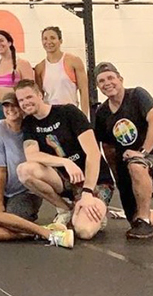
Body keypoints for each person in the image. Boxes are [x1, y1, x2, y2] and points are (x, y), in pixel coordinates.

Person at [92, 62, 153, 238]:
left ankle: (145, 220)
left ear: (120, 79)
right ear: (98, 86)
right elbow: (108, 148)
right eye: (101, 81)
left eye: (111, 78)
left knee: (136, 164)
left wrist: (143, 152)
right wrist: (118, 179)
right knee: (133, 219)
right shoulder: (102, 113)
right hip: (127, 167)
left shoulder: (137, 95)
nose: (107, 83)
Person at [15, 79, 114, 240]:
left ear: (40, 95)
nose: (25, 102)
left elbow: (93, 154)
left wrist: (88, 192)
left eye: (29, 97)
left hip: (94, 181)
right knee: (24, 170)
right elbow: (32, 155)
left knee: (84, 231)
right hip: (66, 179)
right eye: (21, 100)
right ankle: (65, 209)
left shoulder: (68, 112)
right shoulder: (29, 123)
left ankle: (89, 211)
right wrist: (65, 162)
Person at [0, 93, 42, 222]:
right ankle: (3, 202)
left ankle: (29, 210)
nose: (10, 109)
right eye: (6, 106)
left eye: (14, 106)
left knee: (13, 221)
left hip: (24, 188)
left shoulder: (33, 128)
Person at [34, 26, 89, 116]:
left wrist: (85, 115)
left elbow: (84, 90)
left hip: (70, 113)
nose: (48, 42)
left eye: (53, 38)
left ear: (60, 41)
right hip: (50, 114)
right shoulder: (39, 68)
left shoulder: (74, 61)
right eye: (45, 39)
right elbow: (40, 96)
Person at [0, 30, 33, 121]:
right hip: (1, 106)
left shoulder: (21, 63)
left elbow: (31, 88)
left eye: (1, 40)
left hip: (18, 106)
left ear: (9, 42)